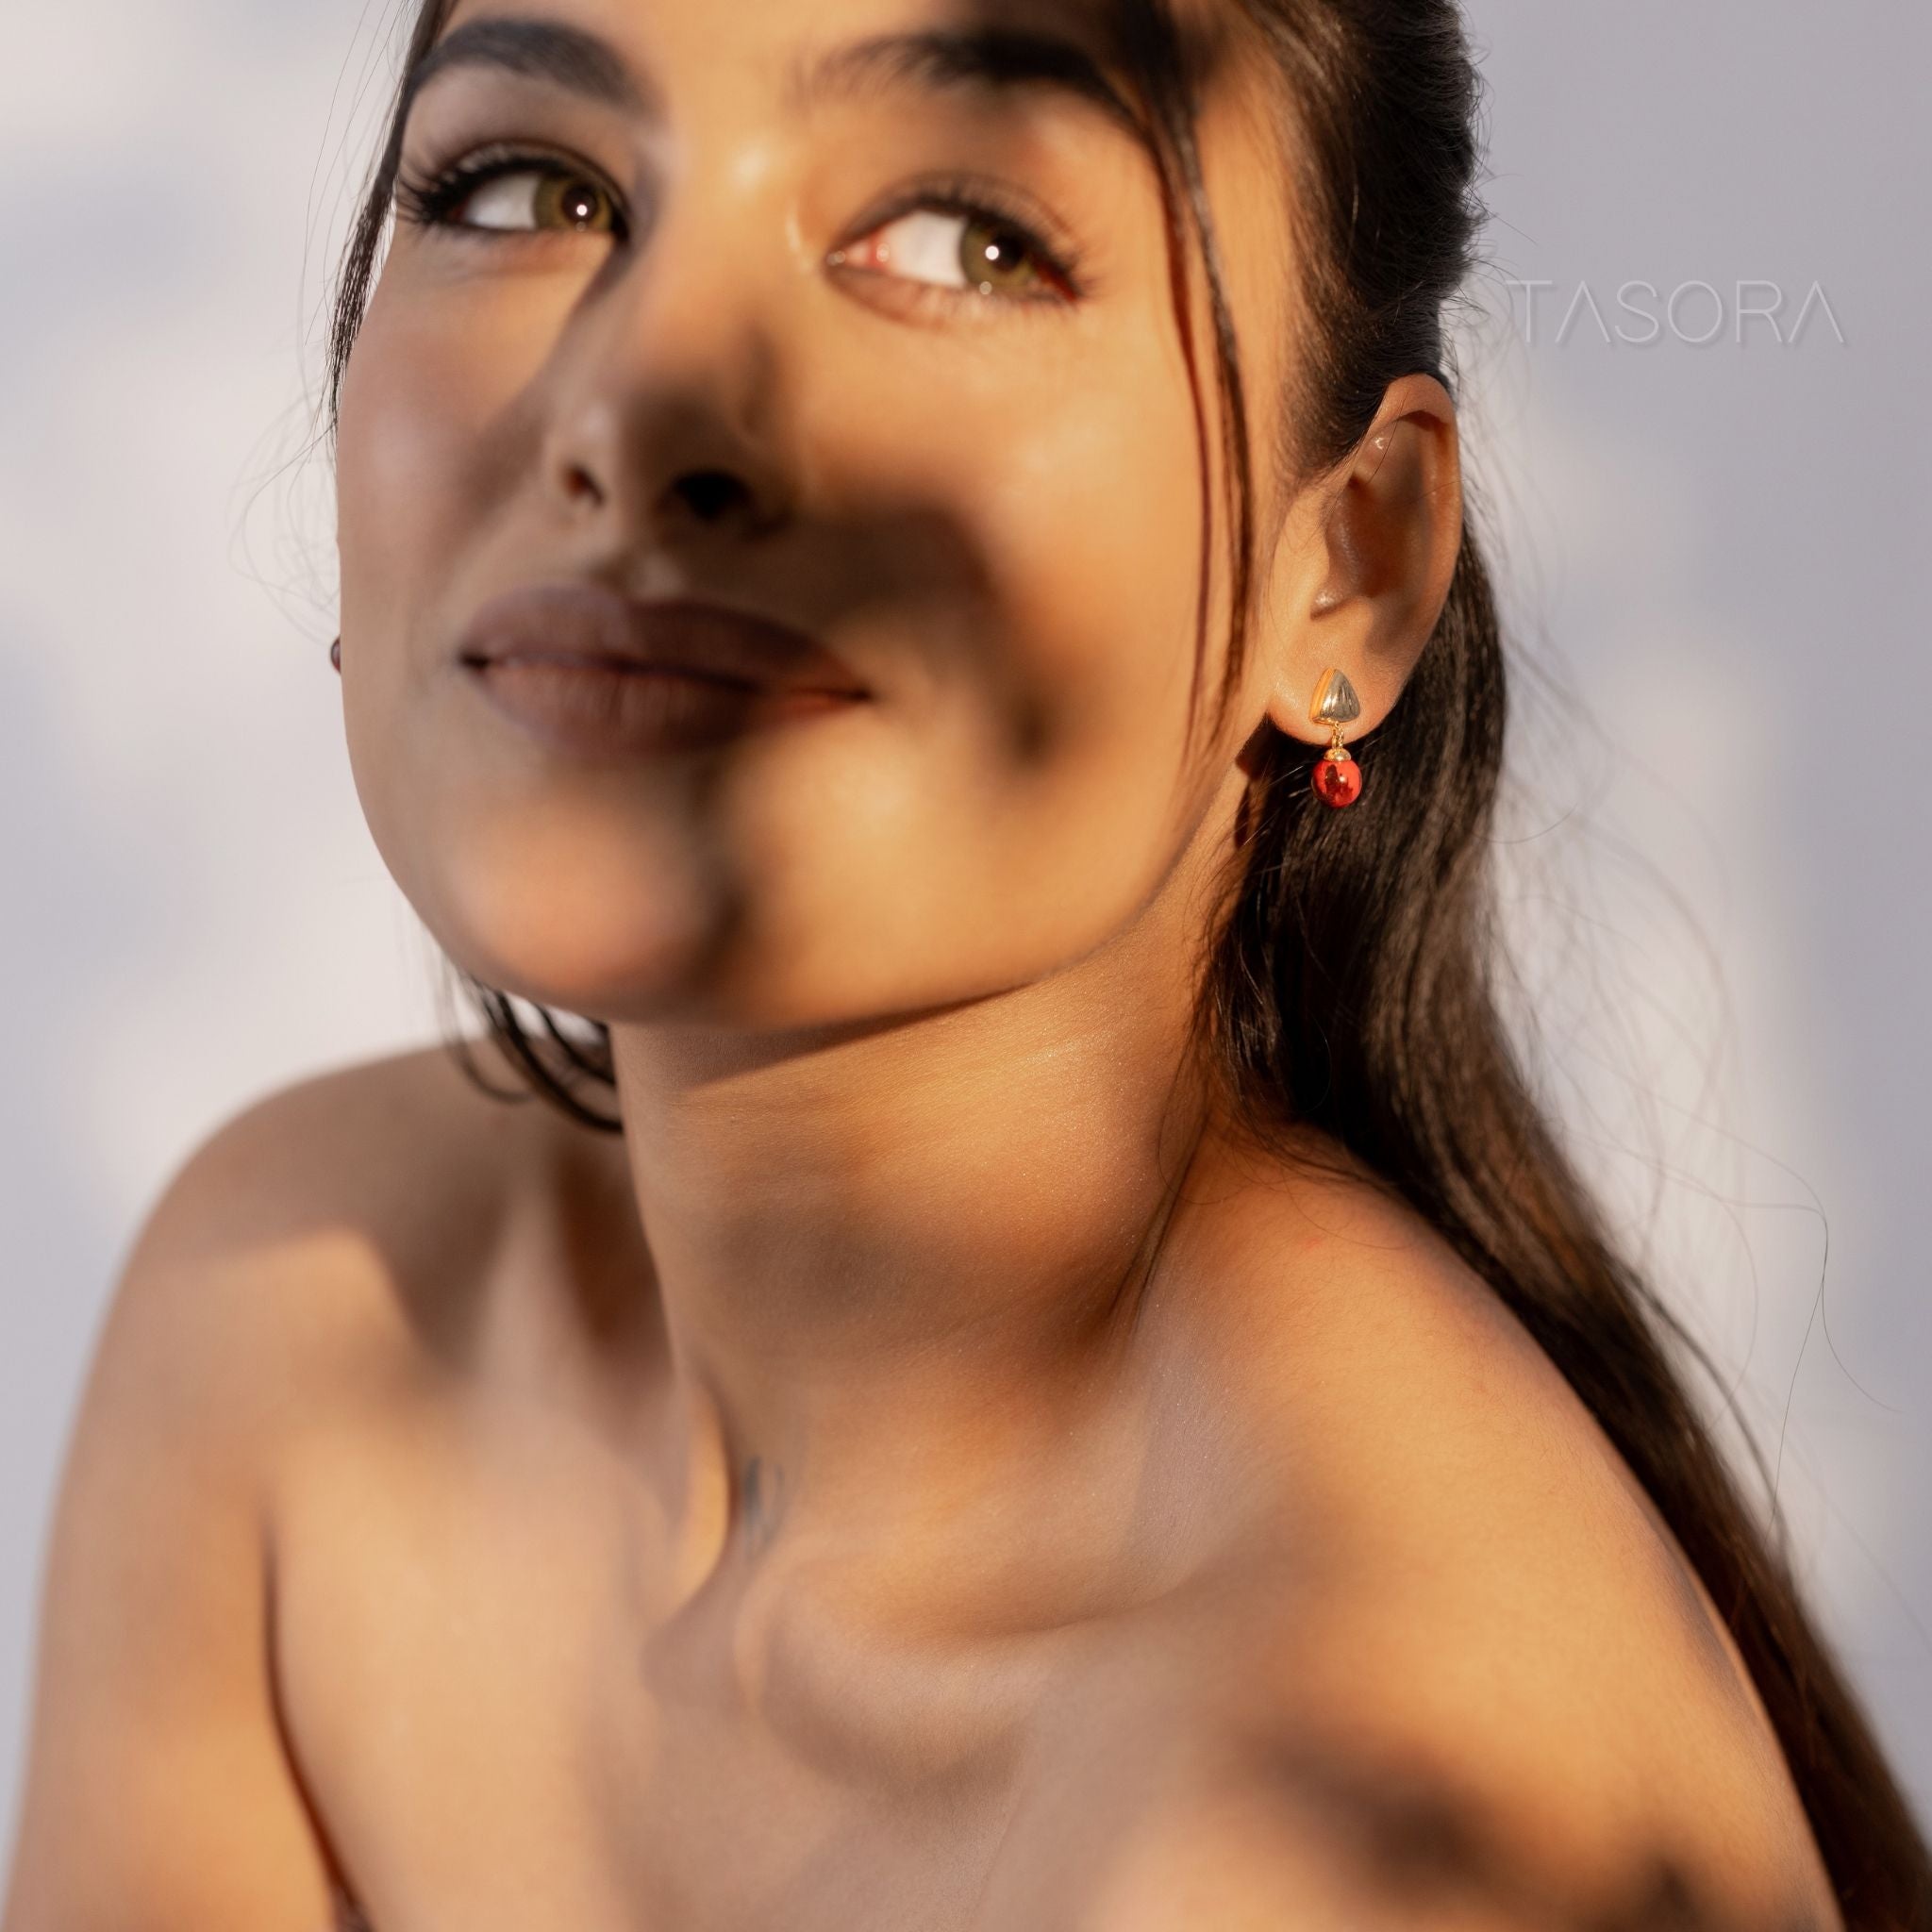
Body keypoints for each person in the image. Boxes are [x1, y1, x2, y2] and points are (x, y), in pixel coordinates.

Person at [5, 0, 1927, 1924]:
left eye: (961, 240)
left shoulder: (1373, 1812)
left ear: (1341, 563)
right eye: (535, 185)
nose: (634, 404)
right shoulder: (300, 1309)